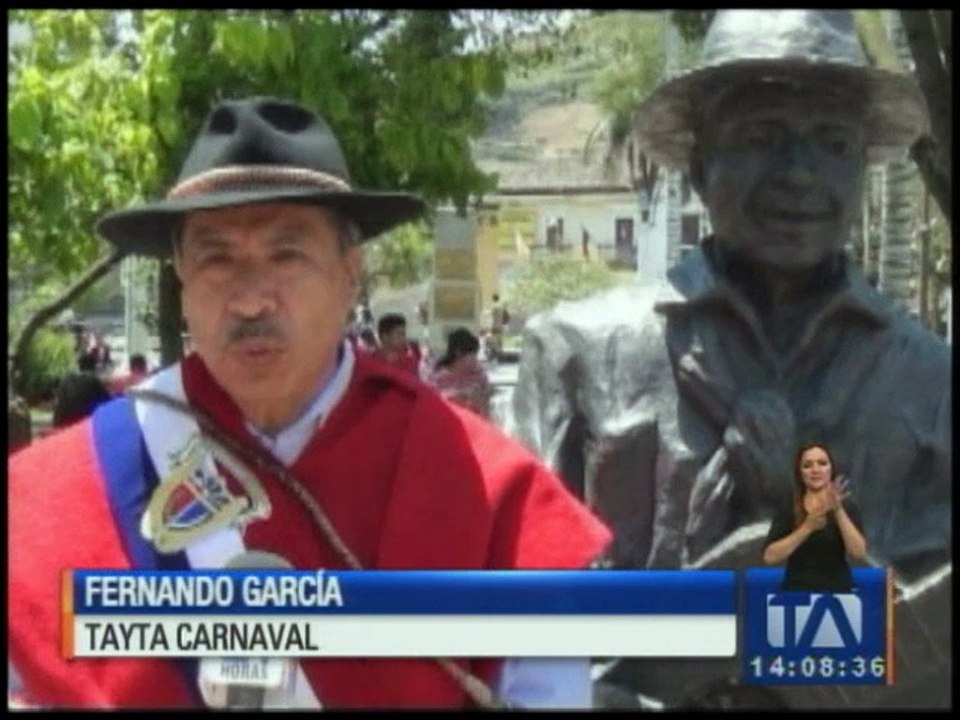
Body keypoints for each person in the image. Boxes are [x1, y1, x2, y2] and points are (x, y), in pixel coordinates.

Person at [8, 96, 611, 710]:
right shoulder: (54, 492)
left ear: (351, 271)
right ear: (182, 279)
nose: (248, 300)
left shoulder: (486, 488)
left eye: (286, 254)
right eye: (216, 258)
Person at [511, 10, 949, 709]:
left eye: (833, 143)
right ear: (699, 162)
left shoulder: (930, 382)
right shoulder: (576, 353)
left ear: (863, 166)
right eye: (762, 137)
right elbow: (509, 625)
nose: (800, 173)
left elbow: (934, 653)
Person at [762, 443, 867, 591]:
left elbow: (858, 552)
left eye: (822, 463)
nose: (815, 470)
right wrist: (807, 528)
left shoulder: (847, 506)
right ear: (800, 473)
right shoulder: (789, 507)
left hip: (838, 593)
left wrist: (838, 511)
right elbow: (770, 556)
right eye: (807, 465)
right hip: (797, 593)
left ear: (831, 469)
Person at [428, 328, 494, 418]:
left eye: (476, 354)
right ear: (458, 353)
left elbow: (487, 410)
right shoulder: (437, 378)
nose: (476, 359)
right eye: (472, 354)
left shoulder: (479, 375)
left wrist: (480, 401)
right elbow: (432, 409)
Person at [51, 353, 112, 429]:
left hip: (62, 423)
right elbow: (106, 402)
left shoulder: (66, 380)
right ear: (93, 367)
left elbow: (58, 403)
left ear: (79, 366)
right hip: (83, 424)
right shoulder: (93, 381)